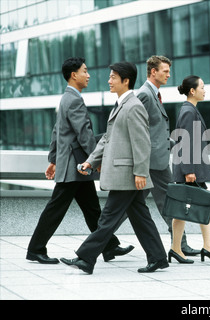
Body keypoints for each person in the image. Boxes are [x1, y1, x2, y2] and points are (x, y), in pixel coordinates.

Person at [60, 62, 168, 274]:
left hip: (127, 174)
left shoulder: (134, 105)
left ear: (125, 81)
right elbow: (107, 140)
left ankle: (85, 258)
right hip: (124, 173)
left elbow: (142, 143)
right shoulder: (121, 104)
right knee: (140, 216)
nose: (109, 81)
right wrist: (91, 161)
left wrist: (140, 172)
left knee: (107, 218)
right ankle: (158, 257)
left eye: (113, 77)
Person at [26, 57, 133, 265]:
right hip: (74, 167)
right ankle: (36, 249)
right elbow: (84, 133)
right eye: (85, 71)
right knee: (55, 209)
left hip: (73, 165)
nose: (88, 75)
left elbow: (58, 131)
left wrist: (53, 159)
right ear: (74, 75)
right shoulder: (74, 99)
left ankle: (109, 246)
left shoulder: (66, 98)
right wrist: (96, 159)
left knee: (92, 209)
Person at [136, 55, 200, 257]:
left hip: (154, 159)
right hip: (153, 162)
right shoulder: (145, 95)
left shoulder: (153, 94)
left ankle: (106, 242)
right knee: (171, 201)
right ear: (153, 72)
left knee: (128, 204)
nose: (169, 74)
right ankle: (180, 245)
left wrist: (171, 143)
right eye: (165, 70)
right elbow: (138, 128)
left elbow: (154, 130)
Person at [170, 75, 210, 264]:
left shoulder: (190, 110)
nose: (204, 89)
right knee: (188, 207)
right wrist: (188, 171)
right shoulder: (188, 111)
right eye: (202, 86)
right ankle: (180, 248)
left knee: (188, 206)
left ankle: (188, 247)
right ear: (192, 91)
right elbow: (185, 142)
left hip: (191, 168)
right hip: (190, 170)